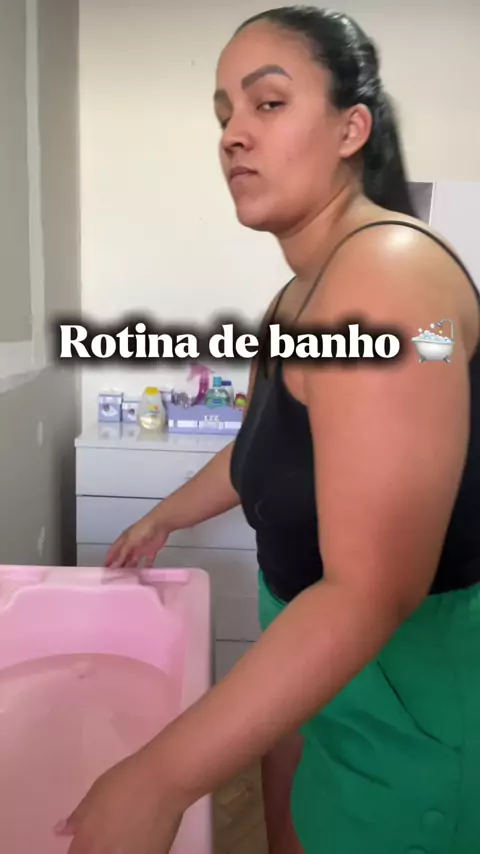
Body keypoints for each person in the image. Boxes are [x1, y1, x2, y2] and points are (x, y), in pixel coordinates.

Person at [58, 7, 480, 854]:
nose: (232, 136)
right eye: (224, 114)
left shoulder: (387, 273)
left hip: (410, 698)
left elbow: (371, 591)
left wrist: (157, 780)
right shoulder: (297, 297)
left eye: (269, 104)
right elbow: (262, 447)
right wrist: (165, 514)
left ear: (351, 129)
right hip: (321, 674)